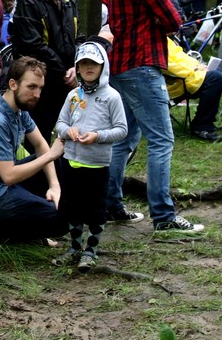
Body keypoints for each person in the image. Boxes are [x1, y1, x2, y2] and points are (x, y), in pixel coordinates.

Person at [105, 0, 199, 232]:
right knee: (161, 140)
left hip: (122, 65)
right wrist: (159, 22)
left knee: (125, 138)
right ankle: (164, 216)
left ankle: (111, 205)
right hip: (143, 66)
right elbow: (174, 20)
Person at [0, 57, 67, 245]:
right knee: (64, 220)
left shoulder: (18, 108)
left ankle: (25, 223)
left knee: (54, 165)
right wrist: (51, 154)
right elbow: (9, 175)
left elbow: (41, 145)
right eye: (32, 87)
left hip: (1, 183)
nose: (37, 94)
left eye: (40, 88)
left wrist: (54, 187)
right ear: (13, 84)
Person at [52, 41, 127, 270]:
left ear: (103, 66)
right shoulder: (73, 95)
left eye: (93, 63)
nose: (89, 68)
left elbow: (122, 129)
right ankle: (74, 247)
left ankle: (91, 250)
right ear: (77, 67)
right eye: (84, 63)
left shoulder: (112, 97)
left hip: (97, 165)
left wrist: (98, 136)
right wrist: (67, 131)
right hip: (71, 162)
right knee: (72, 207)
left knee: (95, 209)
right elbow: (60, 123)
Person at [11, 0, 79, 143]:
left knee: (65, 133)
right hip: (41, 81)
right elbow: (33, 45)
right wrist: (65, 71)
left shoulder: (69, 0)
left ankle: (57, 172)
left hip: (67, 79)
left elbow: (78, 36)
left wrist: (77, 66)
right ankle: (37, 172)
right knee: (39, 134)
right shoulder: (29, 1)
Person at [161, 39, 222, 142]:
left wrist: (198, 66)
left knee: (215, 72)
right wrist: (195, 69)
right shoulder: (155, 41)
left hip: (180, 78)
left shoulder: (163, 38)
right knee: (215, 77)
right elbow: (170, 65)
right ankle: (201, 126)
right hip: (172, 83)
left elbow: (181, 57)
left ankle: (205, 122)